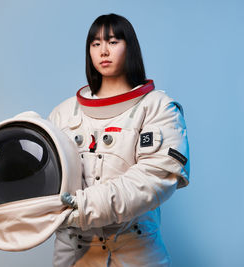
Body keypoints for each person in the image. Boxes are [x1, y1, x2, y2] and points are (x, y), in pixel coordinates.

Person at [48, 13, 190, 266]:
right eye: (95, 43)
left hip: (136, 252)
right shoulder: (64, 113)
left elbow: (155, 177)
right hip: (74, 253)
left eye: (113, 42)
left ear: (130, 47)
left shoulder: (158, 108)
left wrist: (83, 207)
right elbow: (43, 180)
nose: (103, 51)